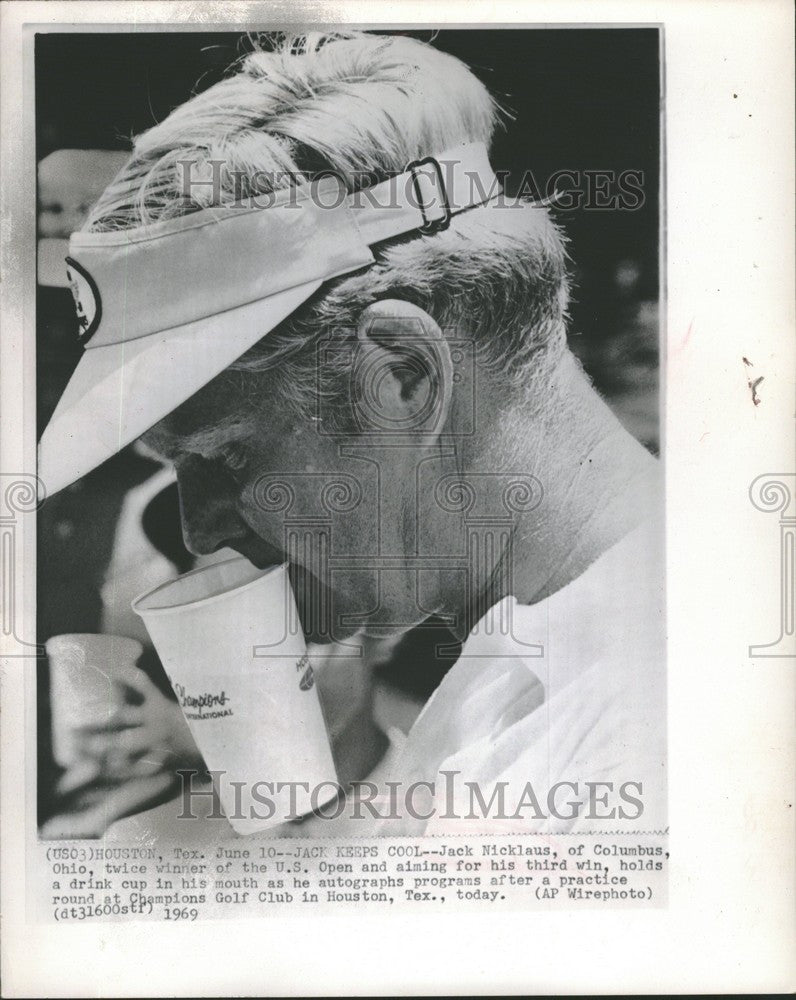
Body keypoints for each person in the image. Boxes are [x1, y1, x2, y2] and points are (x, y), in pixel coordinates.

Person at [39, 31, 665, 839]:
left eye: (227, 455)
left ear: (402, 373)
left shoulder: (646, 732)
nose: (199, 527)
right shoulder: (537, 667)